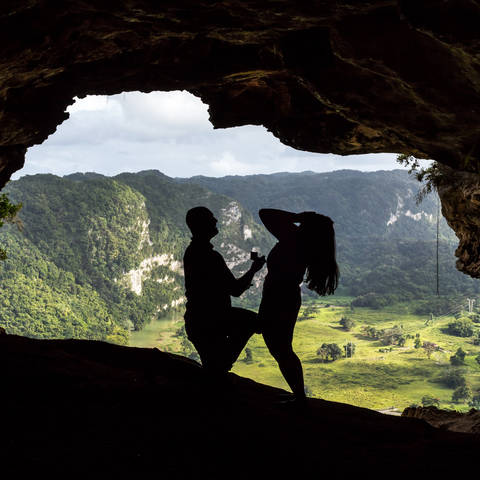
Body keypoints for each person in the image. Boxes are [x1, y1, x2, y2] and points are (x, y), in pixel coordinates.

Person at [258, 208, 339, 405]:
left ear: (306, 227)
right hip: (285, 296)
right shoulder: (305, 244)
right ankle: (298, 395)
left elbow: (264, 213)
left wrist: (298, 216)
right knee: (280, 346)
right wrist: (307, 220)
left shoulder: (293, 240)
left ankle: (299, 397)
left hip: (279, 297)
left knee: (280, 347)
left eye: (303, 224)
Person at [183, 206, 266, 377]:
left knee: (213, 367)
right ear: (203, 224)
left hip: (198, 320)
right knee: (252, 322)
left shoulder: (192, 252)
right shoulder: (210, 257)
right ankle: (223, 365)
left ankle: (221, 365)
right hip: (212, 320)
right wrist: (253, 270)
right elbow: (235, 290)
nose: (215, 220)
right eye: (211, 218)